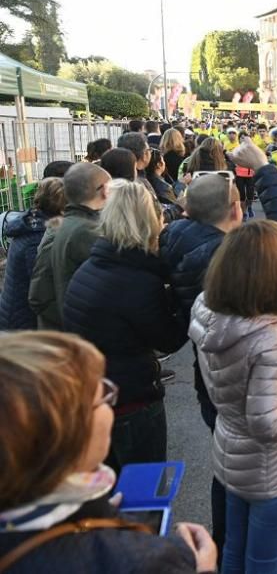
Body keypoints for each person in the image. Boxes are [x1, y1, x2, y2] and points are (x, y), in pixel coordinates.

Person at [159, 138, 277, 552]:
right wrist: (264, 168)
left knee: (228, 458)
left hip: (210, 372)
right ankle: (235, 547)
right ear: (237, 211)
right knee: (250, 470)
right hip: (250, 377)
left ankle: (227, 544)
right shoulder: (231, 252)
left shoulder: (176, 238)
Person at [0, 332, 216, 573]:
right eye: (102, 394)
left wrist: (95, 509)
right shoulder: (148, 561)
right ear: (69, 437)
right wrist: (201, 568)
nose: (110, 401)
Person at [190, 221, 277, 574]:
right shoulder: (271, 339)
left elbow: (242, 383)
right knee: (266, 564)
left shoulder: (209, 311)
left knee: (234, 552)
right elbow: (268, 421)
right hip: (275, 467)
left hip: (232, 453)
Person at [61, 180, 187, 471]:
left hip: (98, 395)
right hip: (132, 402)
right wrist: (185, 298)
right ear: (150, 220)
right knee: (143, 493)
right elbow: (168, 339)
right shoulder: (137, 280)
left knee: (112, 489)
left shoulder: (95, 264)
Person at [29, 163, 111, 330]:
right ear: (104, 190)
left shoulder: (70, 225)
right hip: (70, 335)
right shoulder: (82, 232)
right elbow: (39, 297)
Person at [0, 179, 66, 331]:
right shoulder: (37, 237)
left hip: (15, 313)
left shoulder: (32, 223)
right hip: (22, 322)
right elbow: (40, 286)